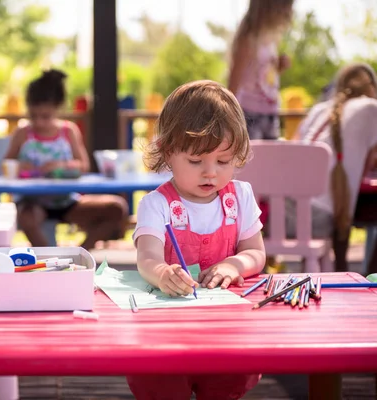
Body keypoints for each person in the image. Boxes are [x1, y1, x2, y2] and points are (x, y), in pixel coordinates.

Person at [127, 80, 266, 400]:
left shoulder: (239, 197)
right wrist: (162, 272)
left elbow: (256, 253)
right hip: (166, 331)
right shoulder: (156, 204)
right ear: (167, 152)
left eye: (223, 161)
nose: (210, 173)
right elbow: (146, 257)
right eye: (195, 161)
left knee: (223, 387)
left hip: (226, 329)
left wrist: (234, 264)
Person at [3, 69, 128, 249]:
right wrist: (21, 166)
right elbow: (7, 164)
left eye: (45, 116)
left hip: (66, 201)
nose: (38, 122)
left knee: (118, 209)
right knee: (26, 218)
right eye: (33, 116)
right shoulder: (23, 133)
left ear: (58, 108)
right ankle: (50, 256)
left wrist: (60, 165)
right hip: (34, 202)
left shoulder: (68, 132)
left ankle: (78, 253)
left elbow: (83, 165)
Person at [293, 63, 377, 270]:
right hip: (319, 216)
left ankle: (341, 267)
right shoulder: (370, 108)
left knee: (337, 198)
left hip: (283, 212)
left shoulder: (319, 109)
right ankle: (370, 275)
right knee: (340, 201)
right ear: (371, 87)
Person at [228, 0, 295, 140]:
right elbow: (235, 76)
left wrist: (278, 67)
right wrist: (227, 111)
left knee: (271, 159)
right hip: (249, 113)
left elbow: (262, 74)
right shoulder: (248, 38)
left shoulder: (271, 39)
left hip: (270, 110)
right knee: (252, 159)